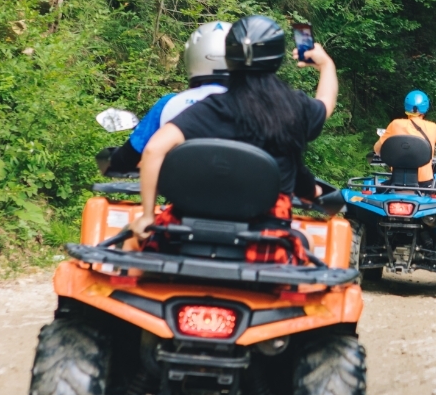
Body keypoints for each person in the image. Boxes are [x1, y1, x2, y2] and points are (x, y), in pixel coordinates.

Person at [130, 15, 338, 240]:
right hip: (266, 238)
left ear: (228, 58)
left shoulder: (211, 108)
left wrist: (148, 216)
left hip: (191, 232)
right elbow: (326, 103)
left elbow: (153, 150)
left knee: (133, 243)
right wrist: (326, 65)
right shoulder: (295, 107)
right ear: (277, 59)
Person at [105, 21, 232, 173]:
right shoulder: (258, 106)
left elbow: (125, 160)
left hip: (182, 195)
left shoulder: (168, 104)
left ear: (192, 57)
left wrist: (114, 159)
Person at [375, 90, 436, 187]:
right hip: (424, 184)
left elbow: (377, 149)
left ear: (406, 106)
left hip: (396, 182)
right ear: (425, 108)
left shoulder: (395, 124)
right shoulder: (433, 127)